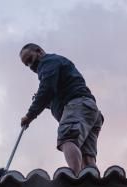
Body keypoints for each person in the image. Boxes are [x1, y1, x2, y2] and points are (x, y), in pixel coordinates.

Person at [19, 43, 104, 175]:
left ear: (39, 51)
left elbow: (46, 89)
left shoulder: (47, 62)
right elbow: (55, 92)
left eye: (30, 59)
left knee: (67, 139)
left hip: (77, 106)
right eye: (27, 65)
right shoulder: (56, 63)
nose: (31, 66)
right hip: (89, 110)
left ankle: (74, 180)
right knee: (87, 156)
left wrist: (30, 115)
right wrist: (48, 103)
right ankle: (91, 184)